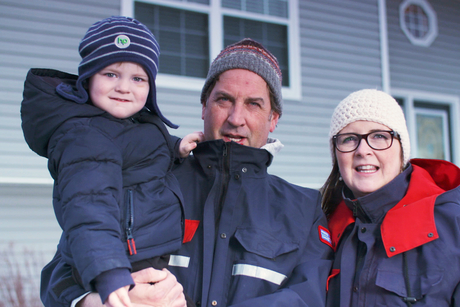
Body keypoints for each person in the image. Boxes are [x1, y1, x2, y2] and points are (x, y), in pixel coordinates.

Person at [38, 37, 333, 307]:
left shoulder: (304, 210)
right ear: (204, 106)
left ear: (273, 119)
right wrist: (99, 301)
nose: (235, 118)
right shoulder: (147, 180)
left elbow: (309, 296)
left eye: (253, 104)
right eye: (224, 100)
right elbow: (59, 276)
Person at [21, 16, 202, 307]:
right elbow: (89, 207)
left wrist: (175, 148)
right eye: (110, 74)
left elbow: (138, 149)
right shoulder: (85, 136)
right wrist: (108, 270)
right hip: (120, 261)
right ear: (87, 77)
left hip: (139, 255)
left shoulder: (126, 124)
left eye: (137, 78)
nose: (123, 87)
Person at [321, 89, 460, 306]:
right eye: (349, 139)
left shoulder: (452, 223)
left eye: (379, 136)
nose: (362, 150)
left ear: (402, 149)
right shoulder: (324, 230)